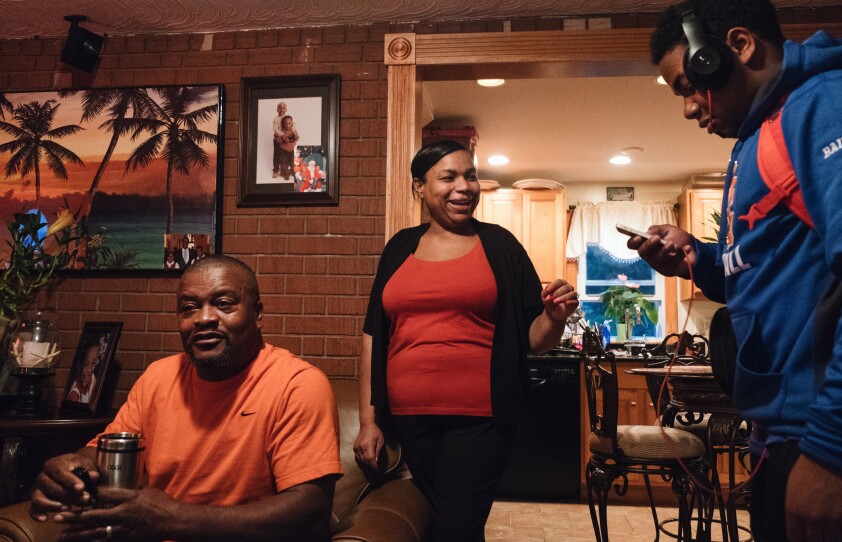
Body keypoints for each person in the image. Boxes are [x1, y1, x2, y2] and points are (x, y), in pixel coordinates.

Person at [636, 2, 842, 541]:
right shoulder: (757, 135)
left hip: (829, 437)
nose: (686, 109)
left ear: (738, 46)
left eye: (686, 85)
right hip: (783, 434)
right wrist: (698, 259)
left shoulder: (831, 101)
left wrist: (838, 451)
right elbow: (769, 271)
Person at [353, 140, 579, 541]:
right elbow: (374, 333)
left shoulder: (500, 246)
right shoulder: (399, 247)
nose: (464, 186)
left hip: (481, 419)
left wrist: (553, 318)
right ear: (419, 187)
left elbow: (534, 341)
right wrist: (369, 421)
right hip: (406, 420)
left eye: (470, 175)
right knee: (427, 520)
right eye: (449, 177)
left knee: (455, 527)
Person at [30, 255, 343, 541]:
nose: (203, 318)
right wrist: (70, 470)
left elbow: (310, 511)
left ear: (258, 313)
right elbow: (102, 452)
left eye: (223, 303)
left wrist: (174, 518)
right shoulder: (158, 377)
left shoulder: (297, 384)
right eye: (189, 307)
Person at [275, 115, 300, 181]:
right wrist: (282, 137)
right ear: (283, 124)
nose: (287, 125)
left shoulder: (293, 131)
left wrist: (295, 134)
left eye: (289, 123)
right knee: (284, 163)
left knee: (293, 162)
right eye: (286, 123)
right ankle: (285, 173)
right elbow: (279, 141)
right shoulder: (281, 132)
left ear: (291, 124)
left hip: (292, 150)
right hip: (284, 151)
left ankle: (293, 171)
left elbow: (297, 139)